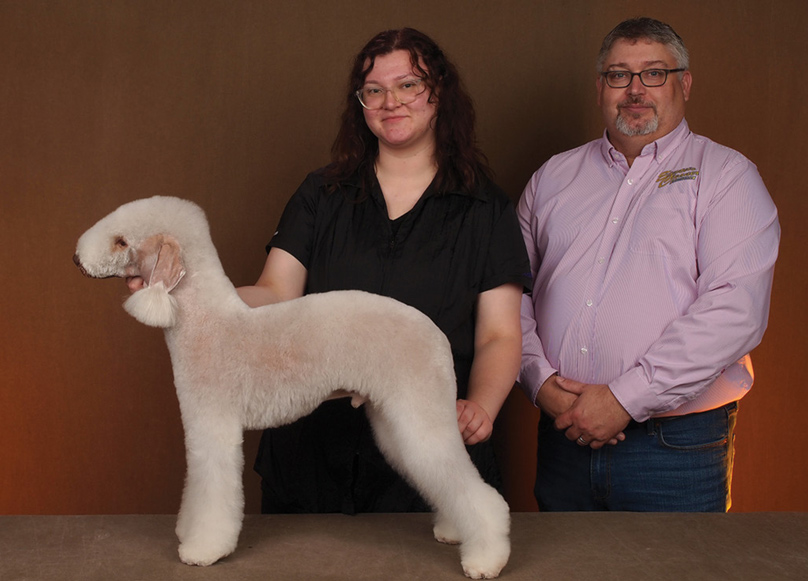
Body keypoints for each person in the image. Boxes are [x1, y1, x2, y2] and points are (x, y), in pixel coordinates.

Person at [236, 28, 531, 514]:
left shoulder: (486, 209)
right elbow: (274, 293)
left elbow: (499, 334)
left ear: (439, 92)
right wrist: (196, 291)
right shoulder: (319, 194)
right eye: (374, 90)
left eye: (408, 85)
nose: (390, 101)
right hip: (311, 452)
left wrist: (480, 405)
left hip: (427, 458)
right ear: (361, 104)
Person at [518, 17, 780, 512]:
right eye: (619, 75)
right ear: (600, 88)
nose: (635, 89)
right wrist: (539, 382)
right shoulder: (552, 178)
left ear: (684, 83)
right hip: (563, 435)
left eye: (654, 73)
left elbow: (735, 310)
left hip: (675, 447)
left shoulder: (726, 176)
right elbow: (508, 292)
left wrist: (622, 399)